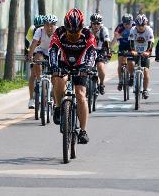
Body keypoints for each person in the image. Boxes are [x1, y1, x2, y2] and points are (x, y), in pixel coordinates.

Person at [49, 8, 96, 144]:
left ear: (82, 27)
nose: (74, 35)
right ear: (66, 28)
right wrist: (54, 66)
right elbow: (53, 50)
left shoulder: (88, 34)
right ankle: (58, 107)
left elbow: (92, 53)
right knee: (58, 80)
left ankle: (83, 131)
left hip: (81, 65)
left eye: (77, 32)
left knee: (81, 94)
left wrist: (88, 67)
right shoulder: (59, 32)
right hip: (63, 63)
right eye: (70, 32)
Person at [28, 14, 58, 106]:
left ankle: (55, 98)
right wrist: (30, 56)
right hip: (42, 51)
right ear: (44, 25)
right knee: (37, 59)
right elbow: (34, 43)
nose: (49, 27)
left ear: (55, 25)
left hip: (54, 52)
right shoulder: (39, 31)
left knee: (55, 76)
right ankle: (39, 81)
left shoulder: (58, 31)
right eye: (47, 25)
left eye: (51, 25)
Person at [128, 14, 154, 99]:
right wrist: (133, 50)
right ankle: (132, 76)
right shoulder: (133, 30)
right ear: (136, 24)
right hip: (135, 50)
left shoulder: (149, 30)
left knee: (146, 71)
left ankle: (145, 90)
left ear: (145, 24)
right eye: (138, 25)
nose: (140, 27)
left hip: (145, 52)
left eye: (142, 25)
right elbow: (131, 42)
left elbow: (151, 43)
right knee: (131, 63)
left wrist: (147, 52)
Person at [110, 14, 135, 91]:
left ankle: (131, 76)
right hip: (123, 45)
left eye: (129, 23)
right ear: (122, 23)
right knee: (120, 63)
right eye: (125, 24)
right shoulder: (120, 27)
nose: (127, 25)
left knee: (131, 63)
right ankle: (120, 81)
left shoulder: (135, 27)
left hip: (132, 46)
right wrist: (110, 48)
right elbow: (115, 38)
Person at [88, 13, 111, 95]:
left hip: (100, 50)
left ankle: (101, 84)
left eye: (98, 23)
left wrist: (108, 52)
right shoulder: (87, 30)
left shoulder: (103, 30)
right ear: (91, 23)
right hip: (90, 51)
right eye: (94, 23)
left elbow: (106, 42)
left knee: (100, 66)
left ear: (101, 24)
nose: (96, 25)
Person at [25, 15, 45, 109]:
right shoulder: (32, 30)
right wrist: (28, 55)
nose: (39, 28)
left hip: (46, 50)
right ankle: (31, 99)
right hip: (36, 49)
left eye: (41, 26)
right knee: (33, 74)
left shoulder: (47, 30)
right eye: (37, 27)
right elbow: (28, 43)